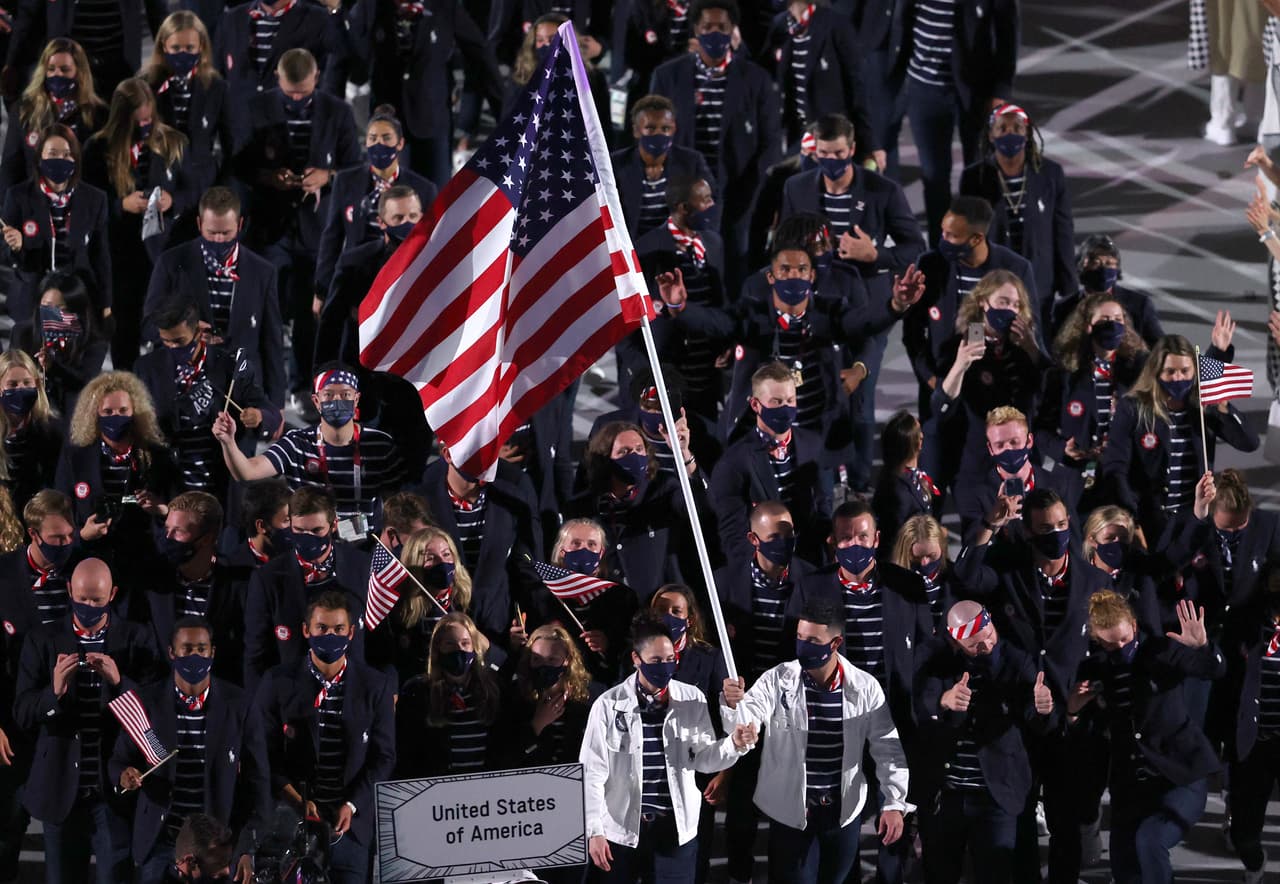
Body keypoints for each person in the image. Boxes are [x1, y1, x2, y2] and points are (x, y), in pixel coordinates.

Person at [721, 598, 908, 884]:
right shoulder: (777, 679)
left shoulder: (865, 687)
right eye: (799, 637)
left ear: (835, 643)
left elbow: (887, 746)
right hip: (792, 812)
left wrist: (894, 802)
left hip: (843, 812)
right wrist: (735, 708)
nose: (803, 646)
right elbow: (749, 716)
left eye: (812, 641)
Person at [14, 558, 163, 884]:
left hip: (112, 794)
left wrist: (120, 683)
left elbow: (155, 715)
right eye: (82, 599)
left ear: (113, 594)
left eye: (97, 600)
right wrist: (53, 693)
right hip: (59, 790)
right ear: (69, 591)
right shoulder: (42, 639)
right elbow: (22, 713)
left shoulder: (137, 639)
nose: (89, 607)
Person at [581, 615, 756, 884]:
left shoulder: (692, 698)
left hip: (675, 832)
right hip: (621, 832)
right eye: (655, 661)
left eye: (670, 659)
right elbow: (591, 773)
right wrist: (594, 831)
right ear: (636, 659)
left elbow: (703, 759)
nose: (664, 667)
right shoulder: (607, 705)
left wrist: (733, 744)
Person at [232, 48, 361, 404]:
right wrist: (269, 177)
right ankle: (260, 388)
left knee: (308, 312)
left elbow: (354, 168)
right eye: (290, 95)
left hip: (315, 230)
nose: (297, 100)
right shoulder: (255, 108)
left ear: (317, 78)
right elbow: (238, 166)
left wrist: (327, 176)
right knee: (265, 310)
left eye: (303, 93)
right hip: (268, 228)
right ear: (277, 78)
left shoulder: (338, 111)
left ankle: (302, 385)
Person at [1069, 592, 1224, 884]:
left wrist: (1203, 647)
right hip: (1131, 786)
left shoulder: (1161, 651)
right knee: (1124, 867)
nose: (1120, 648)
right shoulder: (1094, 671)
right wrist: (1073, 712)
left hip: (1179, 776)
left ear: (1134, 625)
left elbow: (1213, 669)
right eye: (1110, 644)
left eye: (1124, 640)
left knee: (1151, 840)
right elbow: (1088, 734)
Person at [250, 590, 396, 884]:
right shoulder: (277, 682)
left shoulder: (375, 685)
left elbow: (384, 756)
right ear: (306, 630)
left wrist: (352, 804)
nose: (331, 636)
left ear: (351, 633)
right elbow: (263, 754)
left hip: (351, 831)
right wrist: (296, 800)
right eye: (322, 628)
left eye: (339, 629)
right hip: (292, 826)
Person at [914, 600, 1056, 882]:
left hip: (996, 793)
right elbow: (919, 706)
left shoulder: (1017, 660)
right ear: (956, 641)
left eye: (990, 636)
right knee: (939, 873)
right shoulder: (937, 660)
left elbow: (1036, 718)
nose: (987, 646)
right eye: (976, 645)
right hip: (947, 794)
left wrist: (1043, 708)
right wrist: (943, 701)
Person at [109, 617, 255, 884]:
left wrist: (245, 848)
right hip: (162, 843)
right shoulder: (146, 702)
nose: (195, 656)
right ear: (172, 653)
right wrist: (124, 775)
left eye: (201, 649)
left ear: (212, 652)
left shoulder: (239, 704)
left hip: (215, 850)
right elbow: (118, 761)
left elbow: (257, 782)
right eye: (187, 649)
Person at [649, 0, 780, 284]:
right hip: (683, 191)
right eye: (708, 27)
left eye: (722, 27)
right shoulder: (667, 76)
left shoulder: (757, 79)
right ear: (696, 29)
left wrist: (756, 191)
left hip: (738, 193)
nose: (715, 33)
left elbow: (771, 142)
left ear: (733, 30)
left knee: (734, 270)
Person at [82, 77, 193, 370]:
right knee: (125, 334)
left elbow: (194, 191)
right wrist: (120, 205)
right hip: (121, 256)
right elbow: (85, 202)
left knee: (166, 331)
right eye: (137, 121)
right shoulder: (97, 148)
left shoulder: (174, 143)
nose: (145, 126)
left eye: (148, 119)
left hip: (163, 252)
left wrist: (173, 200)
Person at [1102, 332, 1258, 540]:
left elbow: (1249, 442)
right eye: (1170, 371)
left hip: (1194, 519)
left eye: (1185, 371)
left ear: (1195, 371)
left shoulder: (1201, 407)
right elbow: (1115, 467)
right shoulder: (1132, 408)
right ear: (1156, 372)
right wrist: (1130, 517)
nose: (1178, 378)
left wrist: (1224, 408)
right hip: (1149, 521)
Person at [143, 186, 286, 409]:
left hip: (242, 394)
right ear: (199, 224)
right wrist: (186, 331)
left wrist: (276, 405)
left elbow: (272, 341)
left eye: (226, 233)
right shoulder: (171, 263)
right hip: (184, 390)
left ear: (240, 225)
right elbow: (148, 325)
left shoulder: (263, 272)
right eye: (211, 233)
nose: (219, 240)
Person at [213, 365, 405, 526]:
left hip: (367, 543)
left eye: (345, 394)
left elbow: (398, 500)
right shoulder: (297, 443)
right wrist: (228, 442)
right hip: (310, 542)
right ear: (316, 401)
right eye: (328, 395)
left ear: (356, 399)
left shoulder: (379, 444)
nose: (337, 401)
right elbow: (247, 472)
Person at [902, 196, 1037, 422]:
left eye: (952, 236)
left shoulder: (1016, 268)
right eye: (943, 232)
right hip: (943, 392)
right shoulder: (930, 265)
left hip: (997, 397)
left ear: (976, 238)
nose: (943, 240)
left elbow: (1031, 332)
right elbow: (912, 332)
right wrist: (931, 379)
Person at [895, 0, 1020, 240]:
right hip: (924, 89)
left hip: (975, 93)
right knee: (934, 177)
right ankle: (940, 247)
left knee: (978, 174)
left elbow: (1008, 32)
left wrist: (1000, 92)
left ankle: (977, 245)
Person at [135, 295, 281, 497]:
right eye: (166, 341)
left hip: (221, 483)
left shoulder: (229, 365)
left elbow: (271, 413)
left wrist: (259, 416)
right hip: (173, 484)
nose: (172, 347)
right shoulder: (147, 368)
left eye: (179, 341)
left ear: (199, 332)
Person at [352, 0, 503, 186]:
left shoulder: (444, 6)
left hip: (433, 120)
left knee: (436, 196)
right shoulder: (371, 5)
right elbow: (347, 52)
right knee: (392, 196)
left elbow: (481, 57)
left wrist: (505, 114)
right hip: (389, 122)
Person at [53, 371, 177, 595]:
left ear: (135, 412)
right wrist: (83, 535)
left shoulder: (157, 456)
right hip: (91, 567)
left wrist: (162, 510)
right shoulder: (75, 457)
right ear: (94, 413)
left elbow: (177, 511)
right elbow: (58, 513)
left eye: (123, 411)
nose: (115, 417)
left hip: (144, 571)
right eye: (108, 412)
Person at [409, 443, 542, 646]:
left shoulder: (513, 499)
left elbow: (526, 569)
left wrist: (526, 621)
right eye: (470, 451)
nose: (480, 459)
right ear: (447, 454)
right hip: (440, 634)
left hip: (497, 632)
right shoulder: (420, 503)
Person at [959, 103, 1077, 330]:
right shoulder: (974, 177)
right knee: (979, 340)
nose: (1010, 134)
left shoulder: (1051, 174)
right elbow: (968, 234)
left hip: (1039, 285)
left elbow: (1063, 231)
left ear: (1027, 133)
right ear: (991, 135)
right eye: (1002, 128)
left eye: (1017, 128)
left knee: (1035, 343)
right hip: (989, 284)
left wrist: (1069, 287)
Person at [243, 487, 370, 691]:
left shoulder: (361, 566)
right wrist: (260, 705)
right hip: (293, 695)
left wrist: (387, 692)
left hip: (353, 692)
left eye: (317, 530)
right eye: (299, 531)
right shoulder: (267, 578)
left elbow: (380, 639)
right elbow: (256, 655)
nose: (307, 538)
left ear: (334, 525)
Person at [566, 420, 705, 603]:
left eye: (639, 449)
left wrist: (684, 454)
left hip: (655, 605)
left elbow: (699, 506)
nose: (635, 457)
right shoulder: (584, 505)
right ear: (605, 458)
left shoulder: (663, 489)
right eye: (624, 452)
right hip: (608, 606)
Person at [709, 362, 833, 563]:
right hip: (763, 561)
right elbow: (733, 533)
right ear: (755, 405)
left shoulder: (812, 445)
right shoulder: (734, 462)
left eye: (790, 400)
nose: (785, 408)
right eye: (776, 402)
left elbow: (823, 504)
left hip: (808, 558)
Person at [313, 107, 437, 300]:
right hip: (356, 281)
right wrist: (321, 290)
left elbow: (432, 242)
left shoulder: (424, 189)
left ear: (400, 143)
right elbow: (332, 237)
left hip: (403, 281)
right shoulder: (346, 181)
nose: (379, 144)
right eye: (373, 138)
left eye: (386, 138)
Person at [1039, 292, 1149, 496]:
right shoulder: (1065, 375)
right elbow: (1040, 429)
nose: (1112, 325)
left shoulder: (1139, 371)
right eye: (1105, 319)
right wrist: (1062, 448)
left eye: (1118, 319)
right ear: (1088, 325)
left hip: (1123, 478)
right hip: (1075, 479)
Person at [2, 124, 112, 324]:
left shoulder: (95, 199)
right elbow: (5, 252)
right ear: (40, 157)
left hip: (76, 299)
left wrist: (105, 304)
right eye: (53, 153)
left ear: (76, 159)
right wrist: (17, 247)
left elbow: (100, 256)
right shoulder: (18, 196)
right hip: (31, 301)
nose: (60, 160)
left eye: (67, 154)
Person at [143, 493, 249, 686]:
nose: (168, 538)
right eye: (167, 529)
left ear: (206, 539)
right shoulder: (155, 581)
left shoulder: (239, 585)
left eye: (178, 531)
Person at [316, 185, 424, 366]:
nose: (408, 223)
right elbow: (331, 325)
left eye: (413, 216)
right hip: (365, 365)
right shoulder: (355, 262)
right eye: (399, 218)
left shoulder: (438, 258)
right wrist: (323, 373)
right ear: (381, 222)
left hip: (420, 364)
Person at [394, 612, 506, 777]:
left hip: (487, 785)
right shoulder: (418, 692)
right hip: (441, 788)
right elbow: (407, 751)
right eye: (450, 644)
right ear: (438, 649)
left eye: (465, 643)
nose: (459, 649)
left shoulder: (493, 688)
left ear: (474, 647)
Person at [952, 406, 1083, 545]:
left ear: (1029, 441)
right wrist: (993, 524)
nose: (1008, 449)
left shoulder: (1058, 483)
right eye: (1000, 445)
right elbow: (970, 551)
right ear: (991, 449)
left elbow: (1074, 544)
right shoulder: (973, 492)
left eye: (1014, 442)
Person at [764, 2, 877, 162]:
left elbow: (858, 87)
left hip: (832, 139)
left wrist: (871, 144)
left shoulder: (835, 25)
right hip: (799, 138)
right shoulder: (781, 26)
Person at [139, 12, 232, 196]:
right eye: (176, 48)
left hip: (202, 186)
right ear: (163, 46)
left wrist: (222, 189)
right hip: (158, 185)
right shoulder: (146, 85)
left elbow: (230, 145)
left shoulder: (217, 87)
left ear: (201, 46)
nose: (183, 54)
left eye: (190, 48)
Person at [0, 38, 107, 195]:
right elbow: (10, 168)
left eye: (65, 69)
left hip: (81, 203)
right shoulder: (24, 110)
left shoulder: (98, 114)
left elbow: (101, 172)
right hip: (33, 203)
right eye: (51, 69)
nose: (57, 75)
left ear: (79, 72)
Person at [368, 525, 472, 687]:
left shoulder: (467, 599)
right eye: (431, 558)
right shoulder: (398, 609)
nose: (442, 562)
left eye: (446, 554)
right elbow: (386, 660)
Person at [613, 94, 718, 239]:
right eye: (650, 128)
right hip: (628, 245)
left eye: (665, 128)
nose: (659, 134)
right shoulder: (616, 164)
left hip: (676, 244)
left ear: (674, 129)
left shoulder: (691, 162)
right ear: (636, 130)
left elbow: (712, 203)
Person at [10, 269, 110, 417]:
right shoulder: (23, 333)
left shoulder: (94, 342)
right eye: (46, 306)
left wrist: (54, 366)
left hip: (69, 415)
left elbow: (85, 382)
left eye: (60, 309)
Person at [1051, 234, 1164, 345]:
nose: (1103, 269)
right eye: (1096, 263)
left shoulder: (1139, 305)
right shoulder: (1063, 308)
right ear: (1082, 267)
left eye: (1109, 263)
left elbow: (1159, 346)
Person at [0, 348, 64, 512]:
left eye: (27, 383)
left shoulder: (53, 431)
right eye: (12, 384)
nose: (21, 389)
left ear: (36, 384)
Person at [872, 411, 941, 554]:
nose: (922, 435)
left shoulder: (909, 477)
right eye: (919, 432)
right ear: (918, 443)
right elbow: (896, 539)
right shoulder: (898, 492)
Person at [886, 513, 952, 626]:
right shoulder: (891, 581)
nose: (924, 562)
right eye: (916, 557)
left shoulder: (955, 576)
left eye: (931, 555)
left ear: (942, 546)